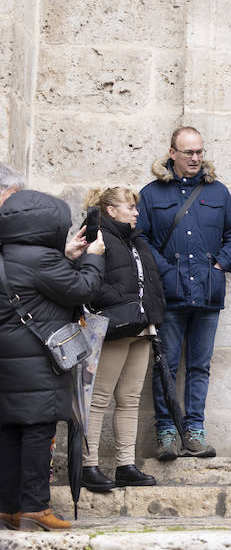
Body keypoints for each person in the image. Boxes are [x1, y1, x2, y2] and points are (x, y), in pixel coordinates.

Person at [0, 168, 106, 532]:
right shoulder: (41, 261)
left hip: (8, 360)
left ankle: (10, 507)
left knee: (10, 431)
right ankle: (34, 508)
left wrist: (65, 255)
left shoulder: (8, 255)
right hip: (37, 360)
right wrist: (93, 256)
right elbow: (83, 289)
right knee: (37, 432)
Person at [137, 126, 231, 461]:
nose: (196, 158)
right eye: (189, 153)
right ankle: (167, 432)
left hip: (207, 294)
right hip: (169, 295)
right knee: (165, 366)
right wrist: (164, 270)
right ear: (172, 153)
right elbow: (139, 238)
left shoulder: (218, 193)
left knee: (199, 366)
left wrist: (220, 265)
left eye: (200, 152)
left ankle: (195, 431)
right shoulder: (151, 193)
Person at [81, 186, 165, 493]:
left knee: (129, 400)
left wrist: (153, 312)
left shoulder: (136, 239)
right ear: (111, 211)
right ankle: (88, 466)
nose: (136, 212)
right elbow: (88, 280)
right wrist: (120, 303)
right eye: (130, 207)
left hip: (142, 328)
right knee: (98, 398)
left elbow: (150, 280)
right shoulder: (96, 235)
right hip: (114, 327)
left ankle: (125, 465)